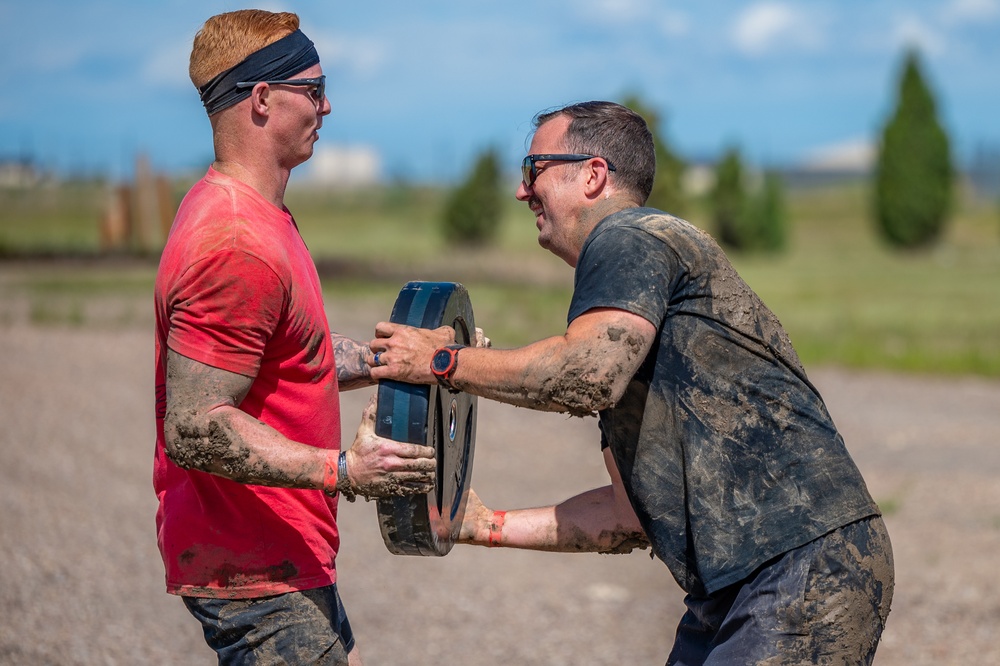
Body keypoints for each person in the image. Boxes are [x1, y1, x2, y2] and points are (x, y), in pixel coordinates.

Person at [369, 101, 894, 664]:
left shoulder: (632, 235)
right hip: (737, 583)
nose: (523, 192)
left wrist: (446, 363)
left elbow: (586, 373)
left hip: (797, 559)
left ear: (592, 175)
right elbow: (626, 516)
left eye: (533, 171)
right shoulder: (631, 321)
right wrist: (484, 525)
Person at [154, 10, 436, 665]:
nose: (327, 105)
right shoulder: (235, 242)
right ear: (261, 99)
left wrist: (398, 360)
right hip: (254, 568)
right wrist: (344, 470)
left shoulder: (260, 216)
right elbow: (195, 425)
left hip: (282, 553)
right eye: (313, 89)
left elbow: (290, 361)